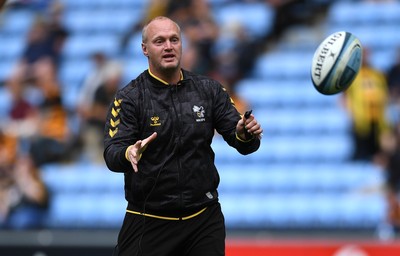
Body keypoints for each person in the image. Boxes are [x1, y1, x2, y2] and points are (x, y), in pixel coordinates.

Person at [103, 16, 263, 256]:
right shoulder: (129, 98)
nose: (168, 46)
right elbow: (112, 153)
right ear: (145, 49)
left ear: (182, 44)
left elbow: (244, 142)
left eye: (174, 39)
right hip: (149, 220)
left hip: (203, 218)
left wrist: (244, 134)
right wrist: (129, 152)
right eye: (159, 41)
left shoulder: (209, 90)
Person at [342, 47, 391, 161]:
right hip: (361, 121)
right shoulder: (351, 76)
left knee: (379, 153)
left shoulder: (377, 74)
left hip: (378, 120)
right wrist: (351, 114)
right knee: (361, 153)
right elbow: (344, 97)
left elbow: (385, 93)